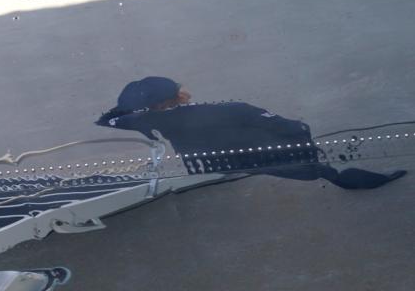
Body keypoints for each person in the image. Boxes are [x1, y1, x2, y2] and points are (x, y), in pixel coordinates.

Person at [96, 76, 405, 189]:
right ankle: (356, 178)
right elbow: (288, 127)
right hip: (257, 155)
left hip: (206, 163)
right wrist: (302, 137)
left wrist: (133, 108)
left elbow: (107, 119)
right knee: (320, 169)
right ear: (178, 95)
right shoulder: (230, 108)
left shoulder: (144, 120)